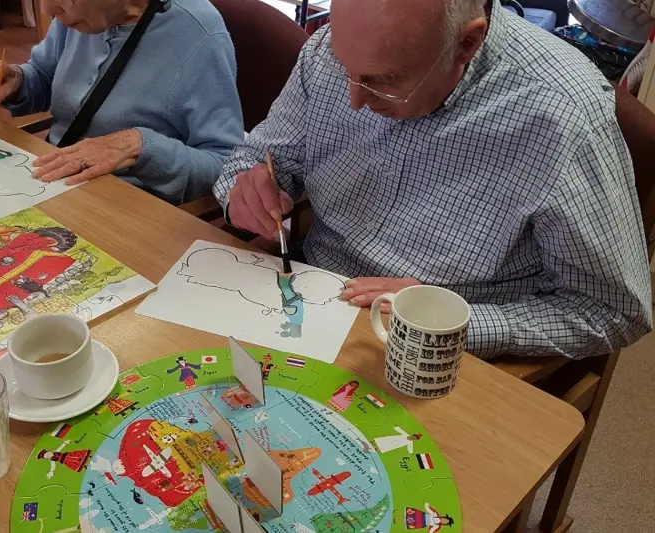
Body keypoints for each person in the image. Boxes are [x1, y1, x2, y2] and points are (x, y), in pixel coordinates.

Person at [214, 0, 652, 360]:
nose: (354, 99)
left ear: (466, 43)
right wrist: (246, 191)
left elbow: (614, 310)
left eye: (385, 81)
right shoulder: (336, 48)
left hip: (439, 355)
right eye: (343, 66)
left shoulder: (561, 115)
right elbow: (256, 158)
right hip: (308, 300)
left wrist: (454, 321)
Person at [0, 0, 244, 205]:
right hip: (52, 184)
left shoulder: (199, 37)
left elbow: (224, 165)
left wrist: (142, 147)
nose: (48, 9)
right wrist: (16, 81)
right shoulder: (78, 17)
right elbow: (44, 76)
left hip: (127, 206)